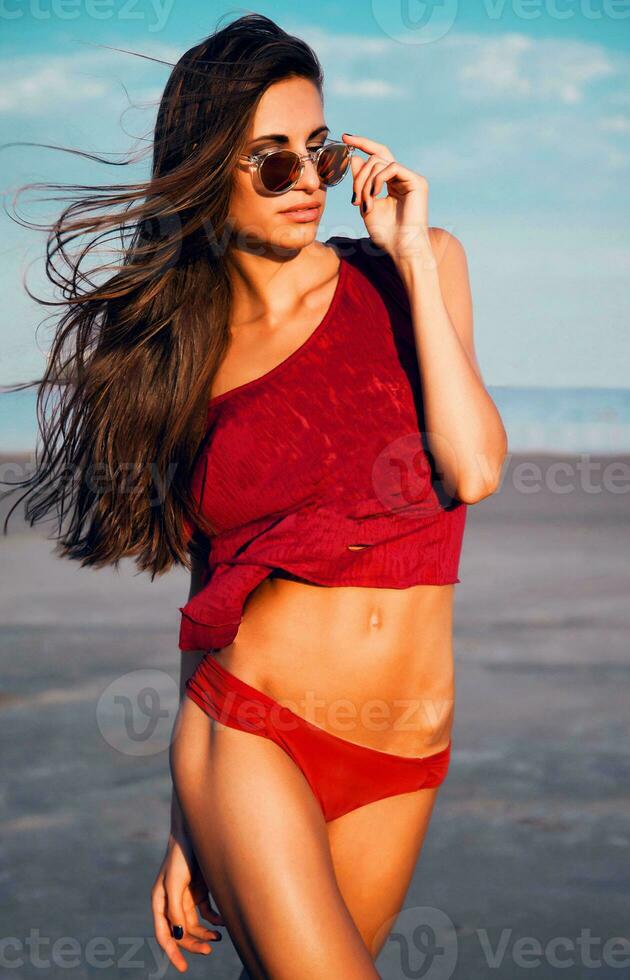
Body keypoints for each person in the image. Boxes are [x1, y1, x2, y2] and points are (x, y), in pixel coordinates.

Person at [1, 13, 507, 979]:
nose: (308, 182)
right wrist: (188, 817)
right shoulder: (175, 359)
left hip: (405, 752)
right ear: (206, 173)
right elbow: (209, 592)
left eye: (315, 150)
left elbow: (473, 467)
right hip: (251, 730)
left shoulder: (419, 269)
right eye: (271, 162)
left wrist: (403, 257)